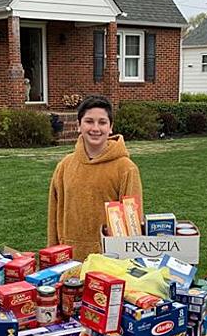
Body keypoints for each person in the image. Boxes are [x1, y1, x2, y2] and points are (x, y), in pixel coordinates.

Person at [47, 96, 142, 260]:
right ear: (79, 125)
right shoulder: (64, 166)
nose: (95, 128)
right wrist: (51, 253)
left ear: (111, 127)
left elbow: (133, 223)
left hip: (109, 260)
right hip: (68, 257)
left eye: (102, 122)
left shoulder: (126, 168)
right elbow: (54, 214)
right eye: (89, 121)